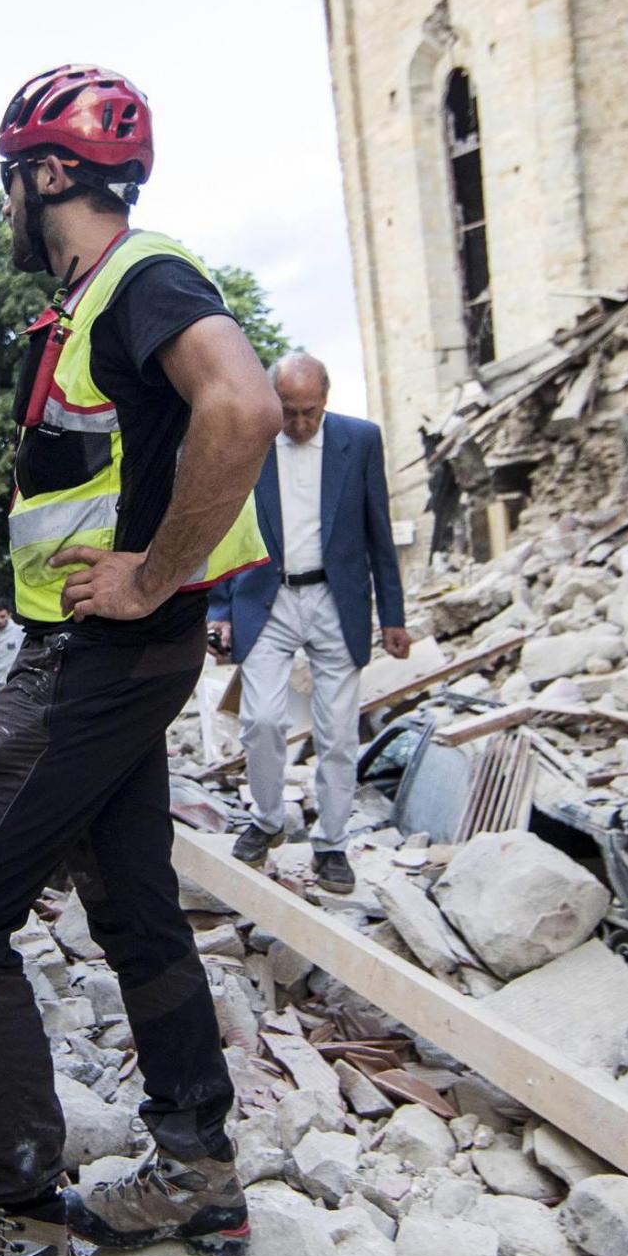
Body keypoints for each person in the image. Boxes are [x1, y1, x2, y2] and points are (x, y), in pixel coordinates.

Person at [0, 65, 279, 1256]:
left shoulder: (142, 276)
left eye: (6, 175)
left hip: (102, 654)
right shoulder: (87, 311)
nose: (0, 200)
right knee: (135, 902)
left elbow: (246, 405)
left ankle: (18, 1223)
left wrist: (156, 574)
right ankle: (197, 1162)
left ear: (47, 176)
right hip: (117, 647)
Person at [209, 352, 409, 893]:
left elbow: (378, 532)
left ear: (327, 400)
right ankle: (269, 820)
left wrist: (393, 614)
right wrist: (220, 609)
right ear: (274, 402)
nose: (299, 424)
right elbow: (229, 527)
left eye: (310, 412)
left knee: (339, 733)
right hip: (266, 599)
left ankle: (332, 844)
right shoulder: (251, 441)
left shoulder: (360, 441)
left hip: (335, 599)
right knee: (264, 721)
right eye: (289, 412)